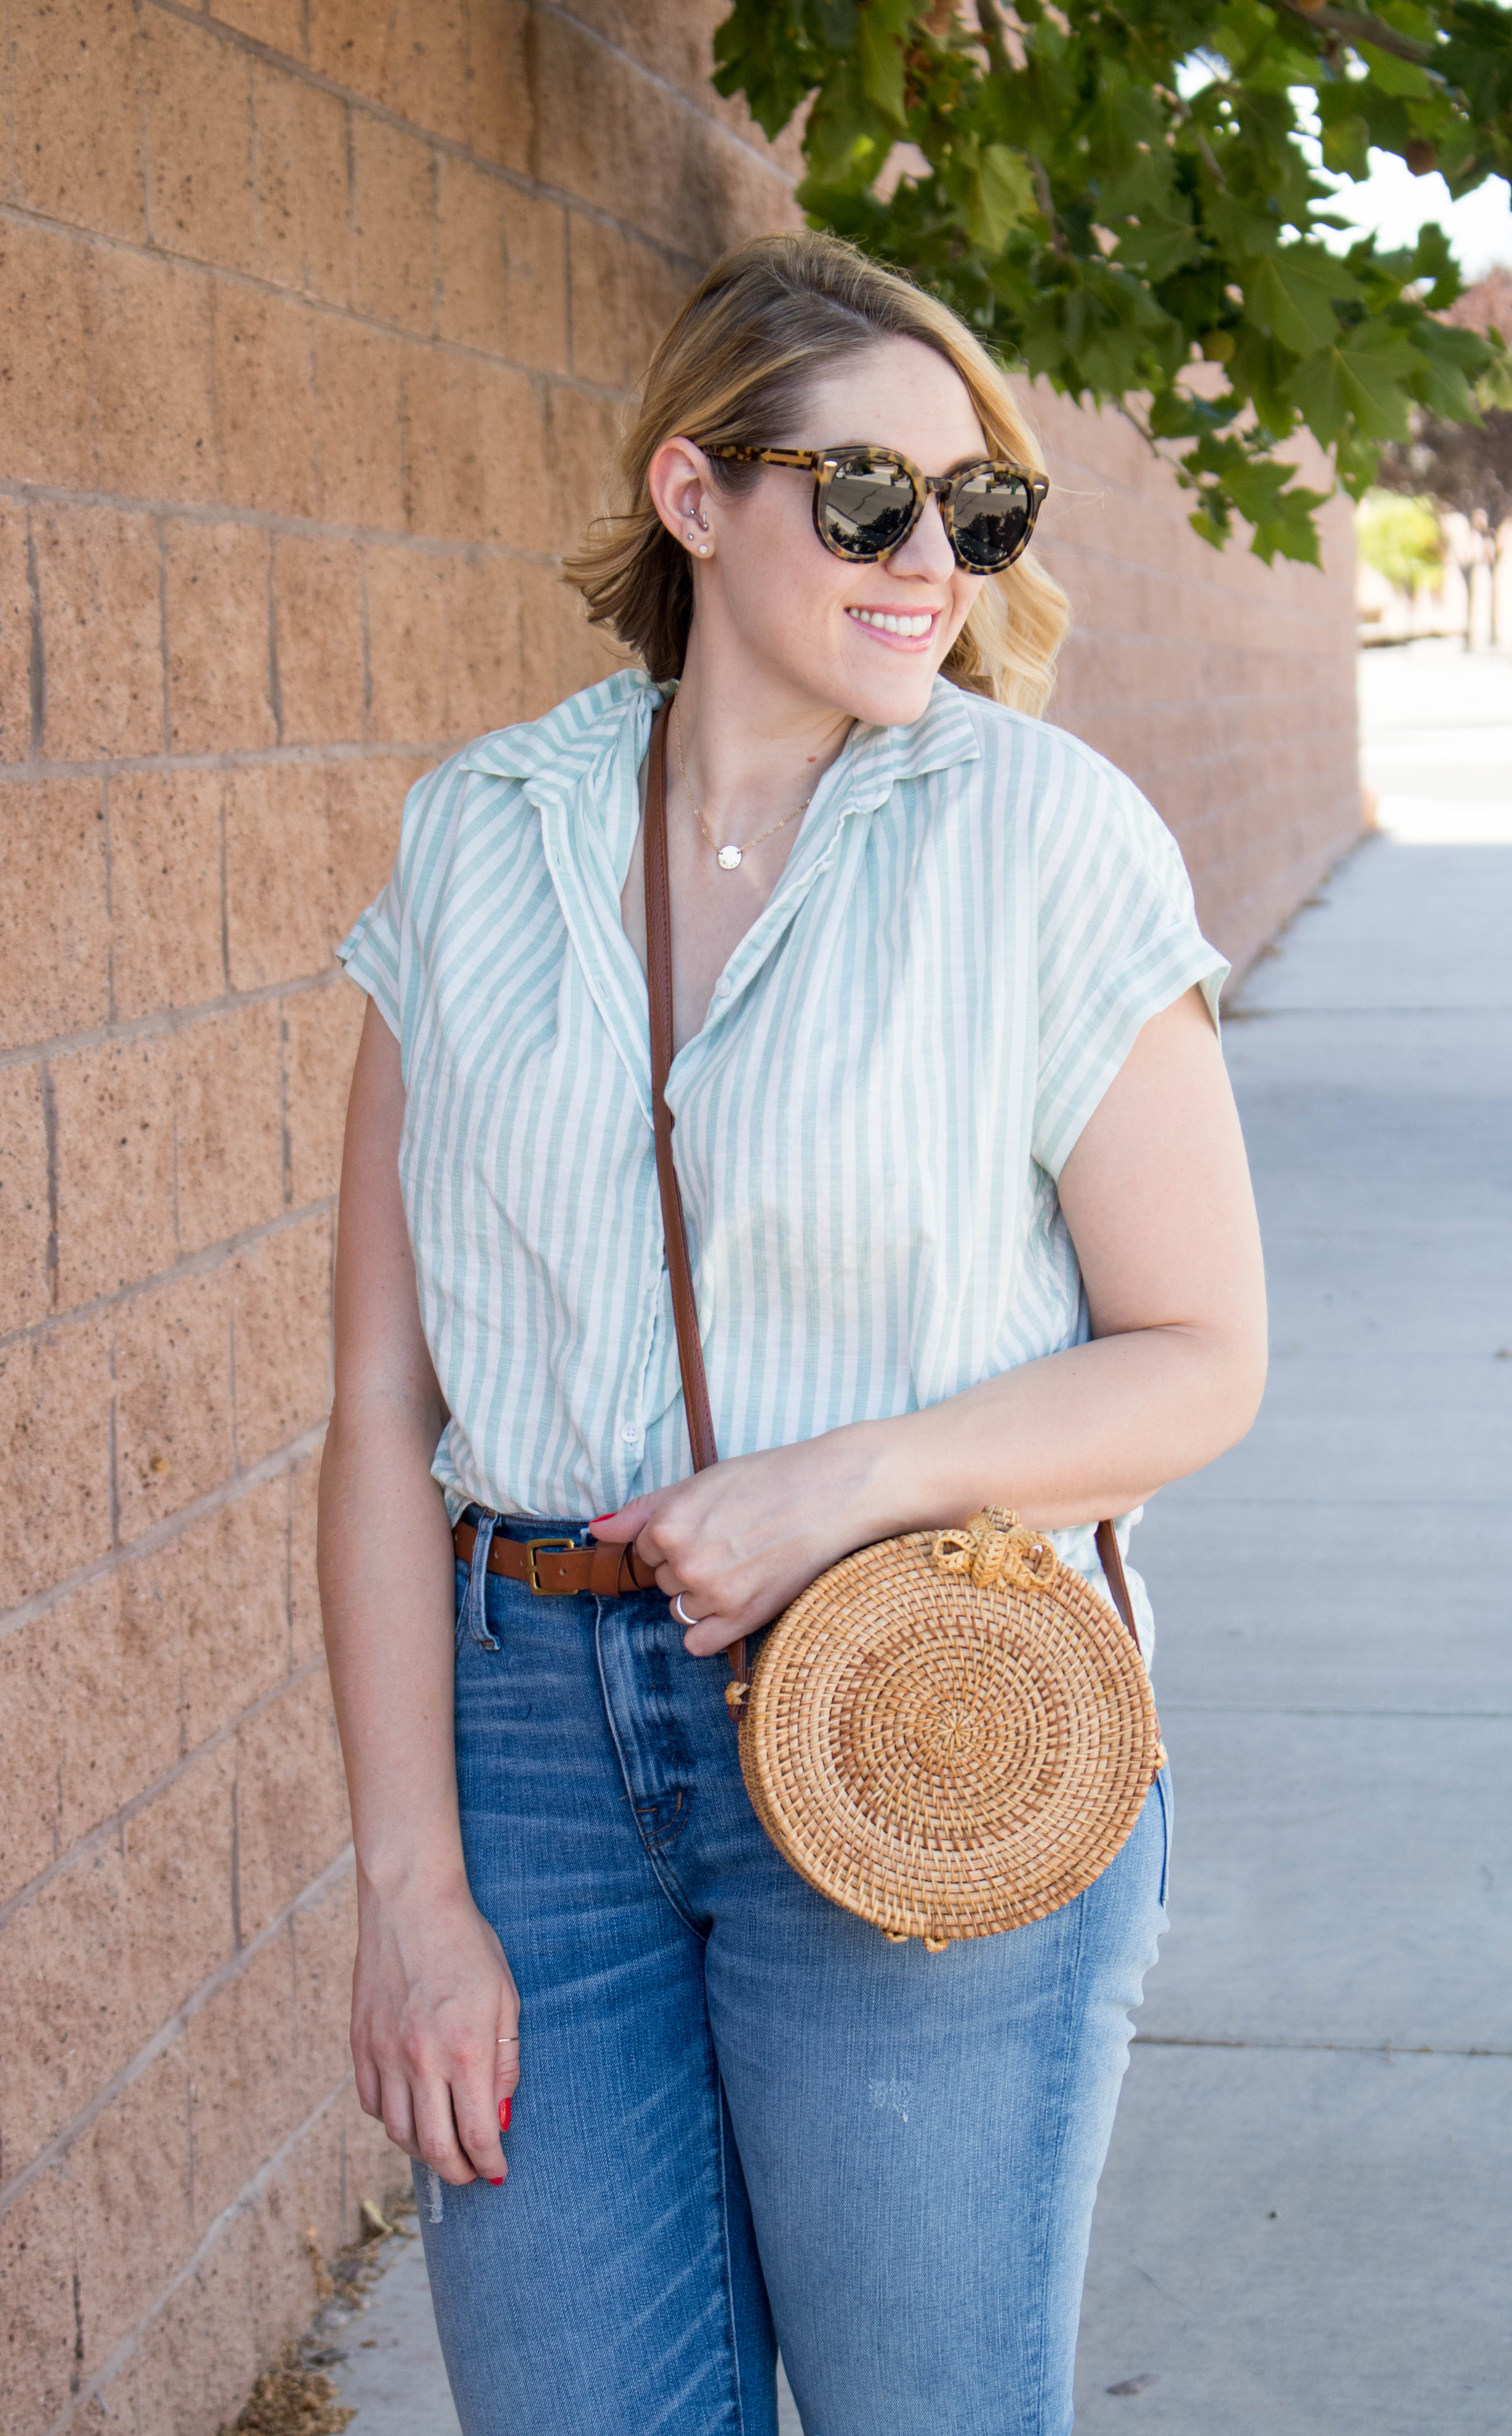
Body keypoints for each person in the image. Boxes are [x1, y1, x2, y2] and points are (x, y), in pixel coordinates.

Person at [320, 231, 1266, 2436]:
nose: (931, 556)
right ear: (693, 495)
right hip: (534, 1752)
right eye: (867, 497)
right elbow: (379, 1414)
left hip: (930, 1711)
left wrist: (838, 1483)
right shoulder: (480, 847)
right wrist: (409, 1890)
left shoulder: (1043, 840)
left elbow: (1199, 1355)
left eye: (979, 508)